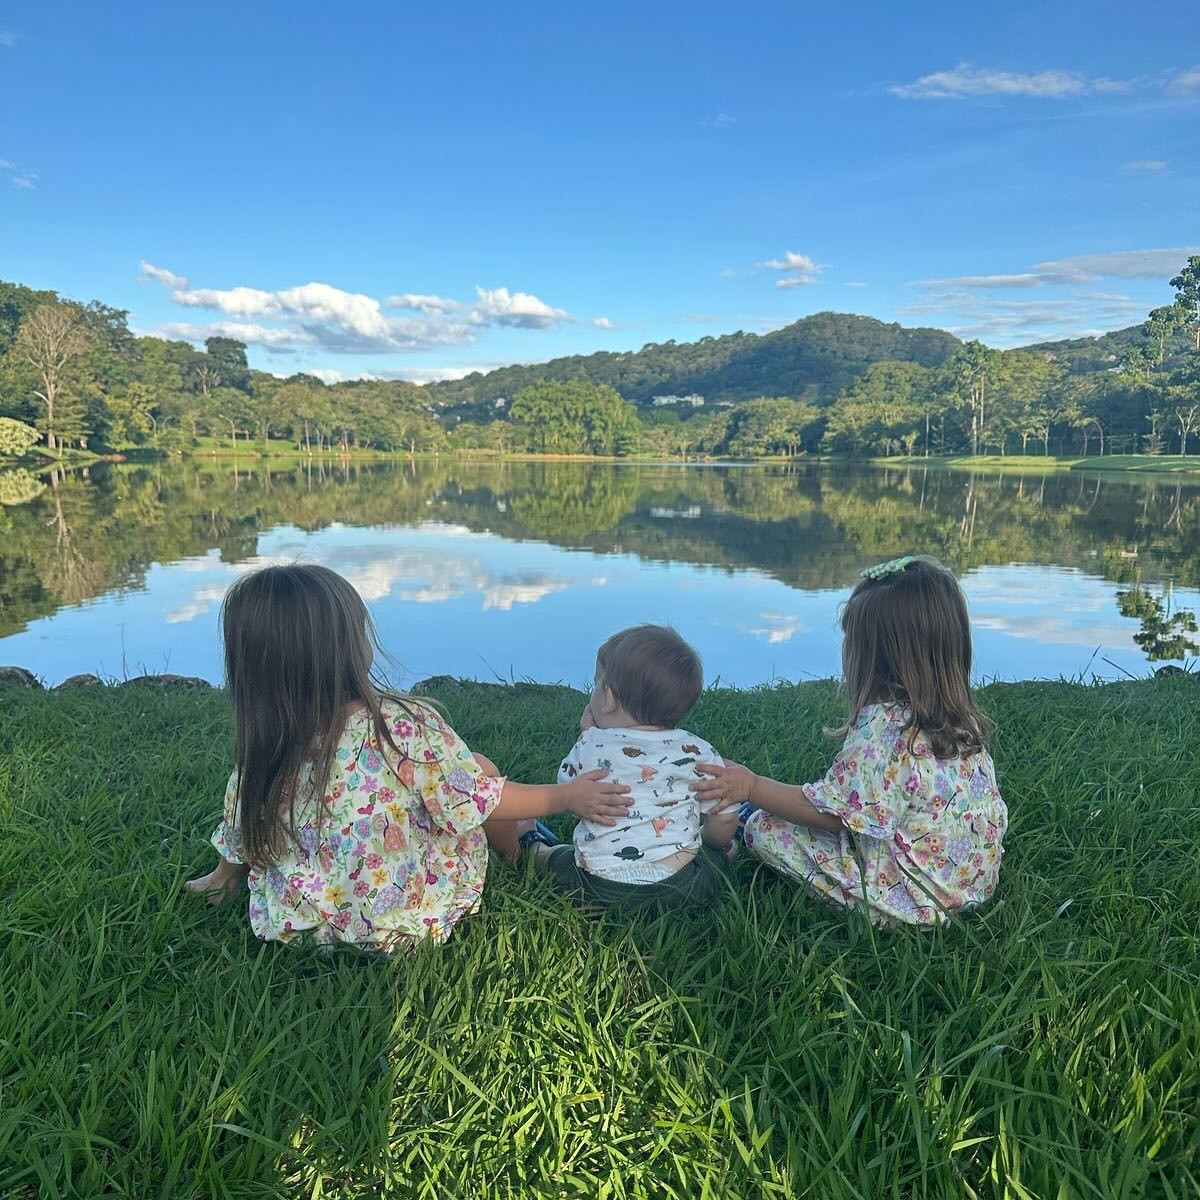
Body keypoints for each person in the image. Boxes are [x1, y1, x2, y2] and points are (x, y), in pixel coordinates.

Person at [184, 564, 630, 951]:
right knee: (482, 771)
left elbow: (242, 822)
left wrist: (223, 877)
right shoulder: (400, 723)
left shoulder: (266, 746)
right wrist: (565, 796)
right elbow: (474, 800)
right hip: (403, 918)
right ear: (345, 649)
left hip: (299, 923)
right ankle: (520, 853)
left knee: (465, 772)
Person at [693, 555, 1007, 926]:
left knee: (766, 829)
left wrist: (752, 786)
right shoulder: (960, 720)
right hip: (970, 882)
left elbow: (829, 816)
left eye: (852, 641)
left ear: (874, 657)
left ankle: (739, 824)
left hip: (917, 900)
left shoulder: (884, 728)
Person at [492, 625, 730, 907]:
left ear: (608, 698)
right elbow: (723, 819)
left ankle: (533, 846)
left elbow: (567, 790)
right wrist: (710, 840)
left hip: (598, 886)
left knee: (558, 859)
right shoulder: (700, 752)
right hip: (683, 887)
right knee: (722, 852)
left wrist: (586, 737)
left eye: (596, 684)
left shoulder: (590, 746)